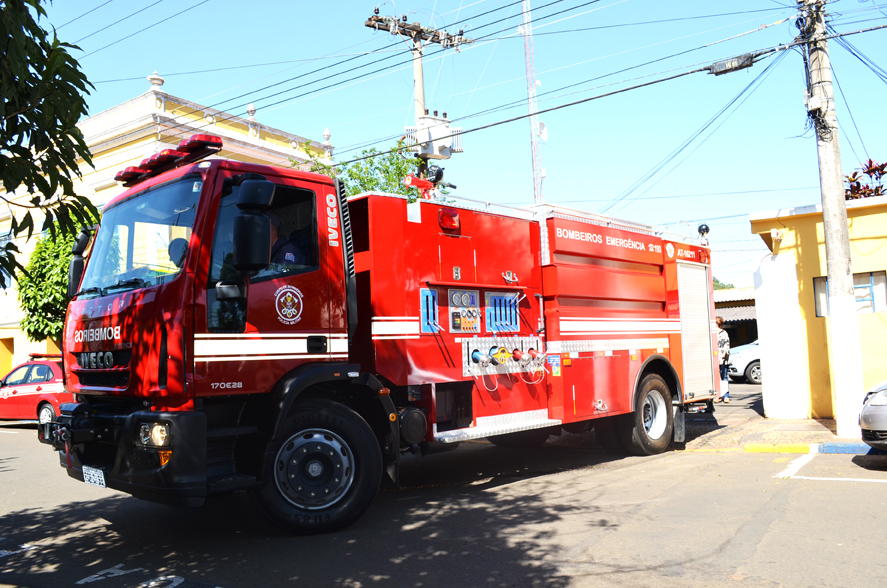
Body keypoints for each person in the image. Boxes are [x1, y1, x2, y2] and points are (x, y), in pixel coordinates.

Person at [716, 316, 731, 403]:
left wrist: (724, 354)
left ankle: (726, 396)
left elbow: (727, 344)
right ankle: (718, 396)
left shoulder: (724, 333)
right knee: (716, 378)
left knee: (724, 376)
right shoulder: (713, 332)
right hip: (715, 357)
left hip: (722, 358)